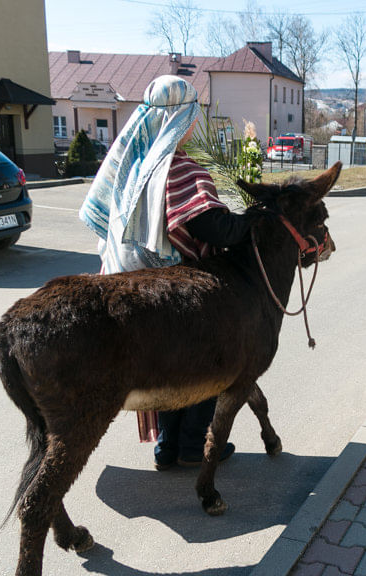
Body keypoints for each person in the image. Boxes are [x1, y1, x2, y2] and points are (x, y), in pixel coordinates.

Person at [79, 75, 251, 470]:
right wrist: (253, 222)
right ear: (180, 119)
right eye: (192, 116)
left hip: (128, 283)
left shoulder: (134, 159)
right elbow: (211, 227)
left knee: (168, 372)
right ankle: (192, 444)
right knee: (210, 361)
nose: (194, 125)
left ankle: (168, 446)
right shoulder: (175, 165)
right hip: (168, 291)